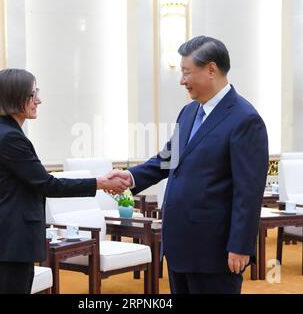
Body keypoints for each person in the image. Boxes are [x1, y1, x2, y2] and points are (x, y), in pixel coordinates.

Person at [109, 36, 269, 294]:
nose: (181, 80)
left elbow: (248, 193)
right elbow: (168, 158)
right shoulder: (189, 111)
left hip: (214, 250)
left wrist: (240, 246)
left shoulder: (245, 119)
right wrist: (130, 177)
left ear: (211, 69)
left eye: (186, 73)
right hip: (179, 243)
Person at [0, 68, 130, 294]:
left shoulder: (8, 132)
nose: (38, 99)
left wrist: (99, 182)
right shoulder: (9, 137)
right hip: (9, 244)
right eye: (32, 94)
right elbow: (48, 184)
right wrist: (100, 182)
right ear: (15, 97)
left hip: (12, 243)